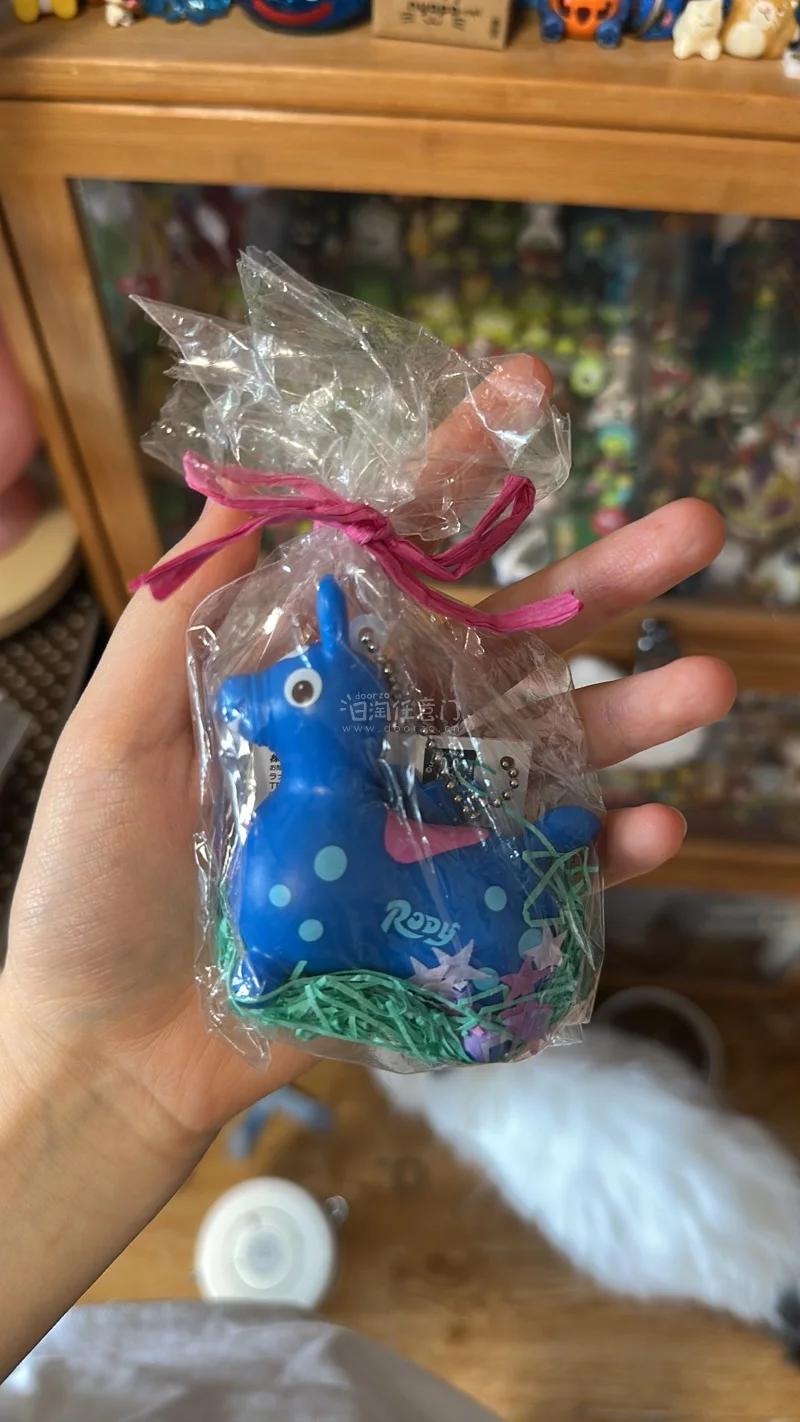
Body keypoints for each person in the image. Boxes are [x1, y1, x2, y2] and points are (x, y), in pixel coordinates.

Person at [0, 357, 735, 1388]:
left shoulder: (353, 802)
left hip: (446, 931)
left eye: (291, 688)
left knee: (457, 885)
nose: (255, 701)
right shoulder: (305, 812)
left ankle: (496, 945)